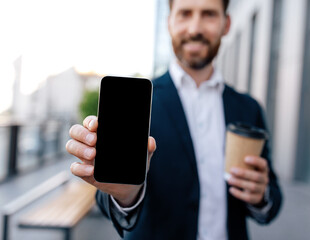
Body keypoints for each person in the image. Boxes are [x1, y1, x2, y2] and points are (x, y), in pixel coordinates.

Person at [66, 0, 282, 239]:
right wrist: (126, 195)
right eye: (185, 14)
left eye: (208, 14)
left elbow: (272, 196)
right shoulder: (139, 104)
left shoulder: (248, 109)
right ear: (169, 22)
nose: (194, 28)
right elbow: (109, 198)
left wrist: (261, 196)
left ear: (226, 24)